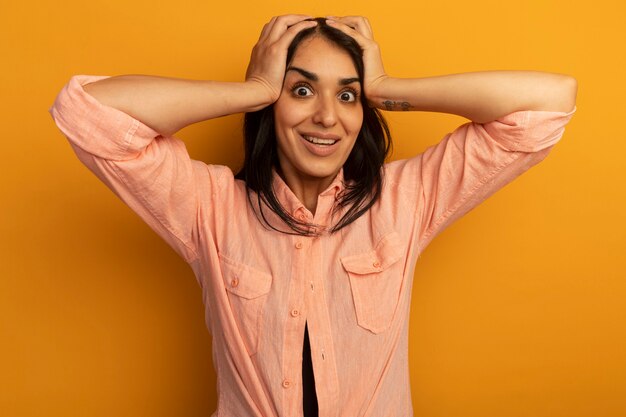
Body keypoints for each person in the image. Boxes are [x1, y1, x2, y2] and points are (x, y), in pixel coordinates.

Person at [49, 14, 577, 417]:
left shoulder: (404, 199)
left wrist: (386, 89)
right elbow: (86, 112)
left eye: (346, 95)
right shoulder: (208, 206)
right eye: (301, 90)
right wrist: (253, 91)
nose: (327, 116)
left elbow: (548, 103)